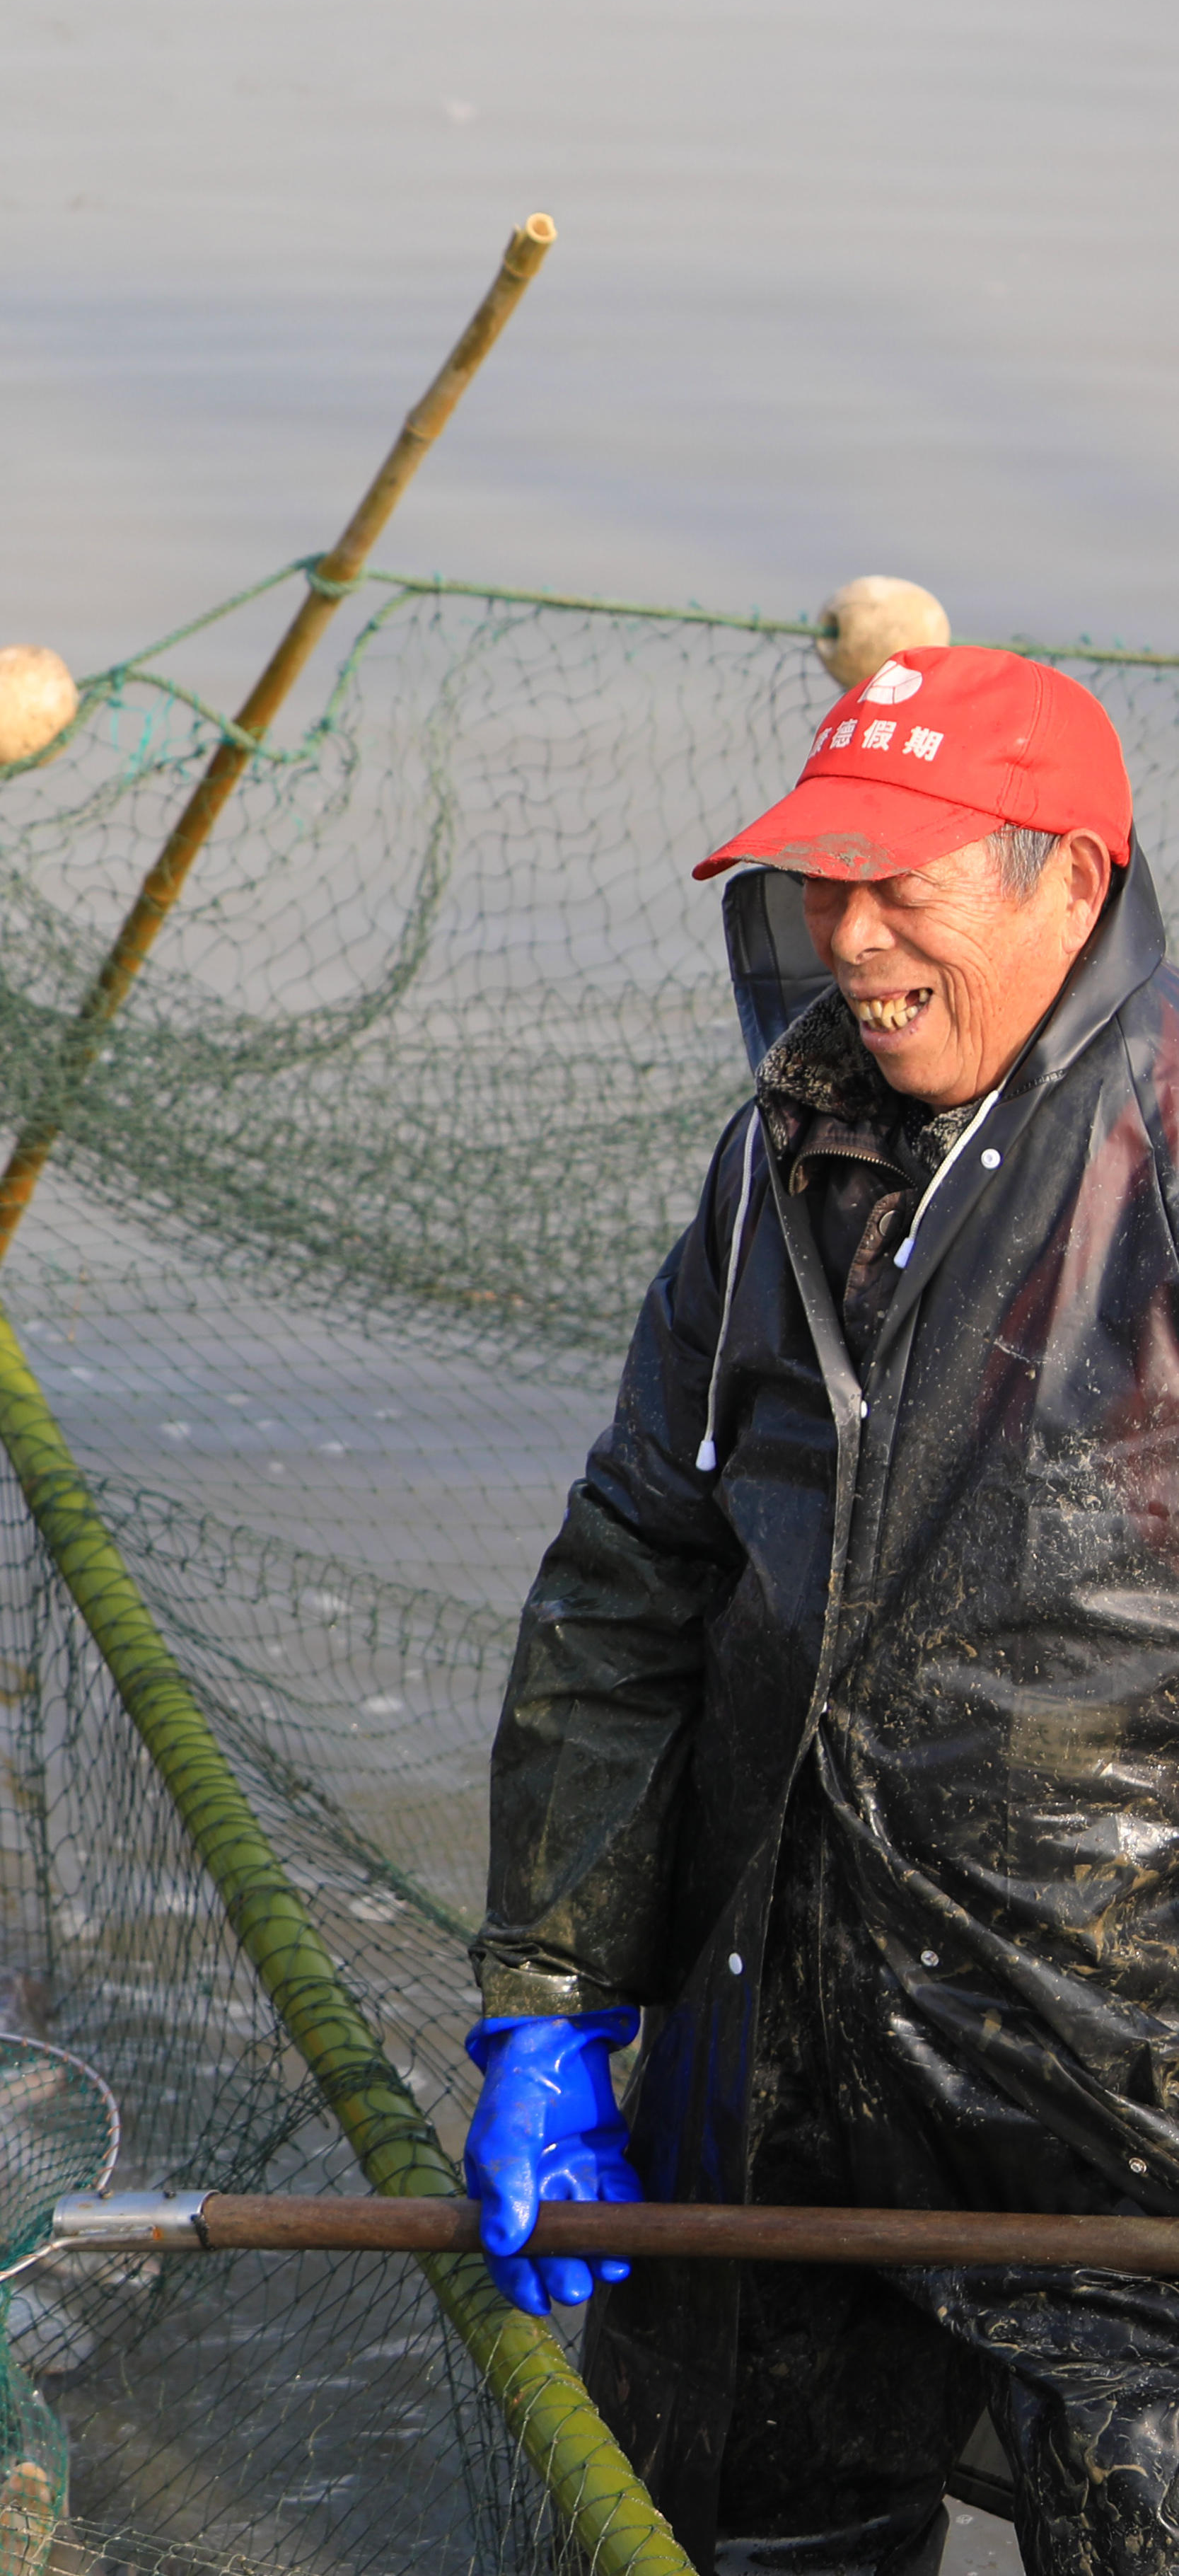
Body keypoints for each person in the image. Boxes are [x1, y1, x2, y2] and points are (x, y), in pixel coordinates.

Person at [472, 642, 1179, 2572]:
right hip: (769, 2032)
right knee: (743, 2528)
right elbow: (633, 1567)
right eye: (820, 885)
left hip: (1107, 2083)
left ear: (1072, 879)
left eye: (904, 884)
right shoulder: (779, 1152)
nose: (848, 940)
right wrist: (546, 1998)